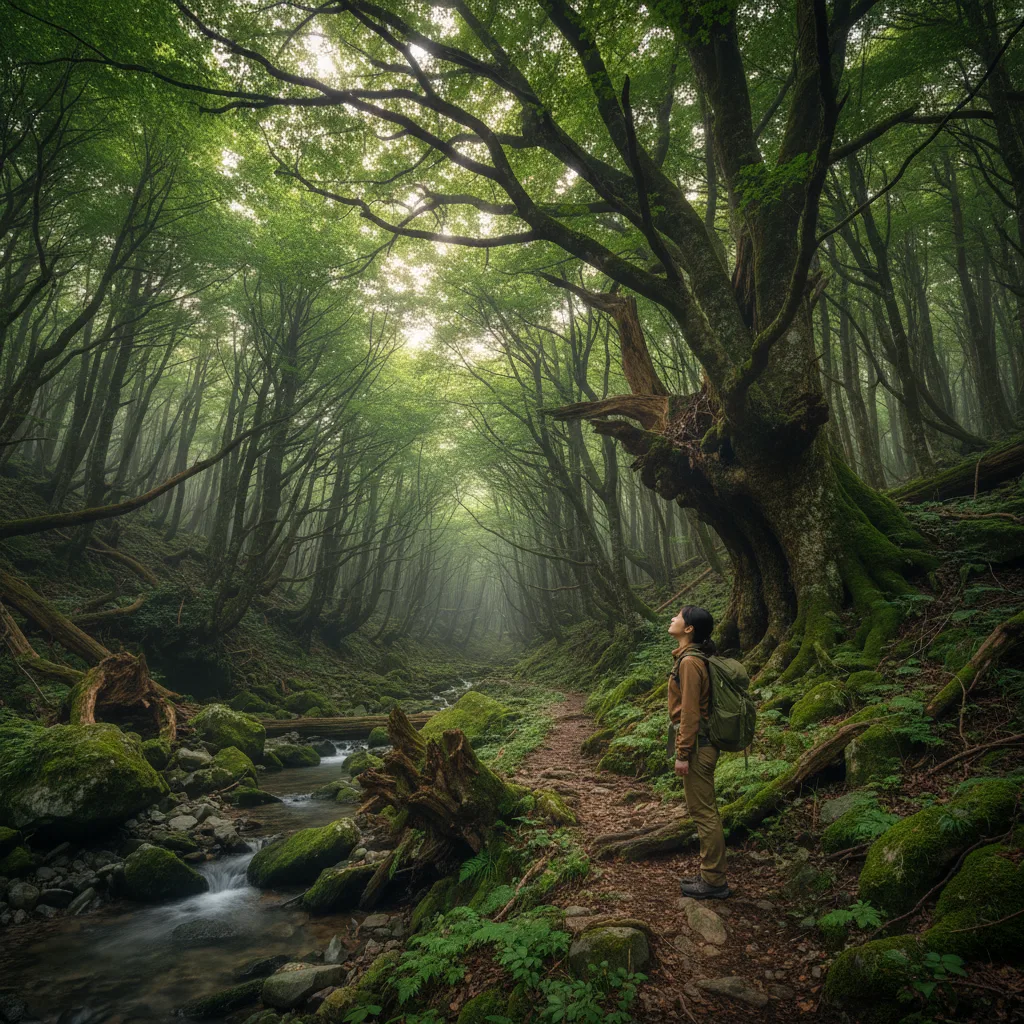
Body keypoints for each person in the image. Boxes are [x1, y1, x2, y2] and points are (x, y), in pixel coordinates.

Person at [667, 604, 730, 900]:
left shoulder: (690, 663)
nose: (672, 619)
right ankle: (709, 872)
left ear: (689, 629)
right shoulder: (690, 658)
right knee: (705, 810)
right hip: (701, 745)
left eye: (678, 617)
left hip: (698, 748)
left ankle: (714, 881)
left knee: (704, 813)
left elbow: (690, 713)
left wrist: (682, 753)